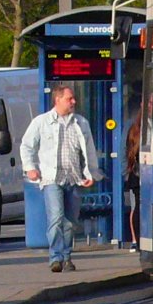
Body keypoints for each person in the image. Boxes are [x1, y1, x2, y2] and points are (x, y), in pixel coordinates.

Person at [21, 86, 103, 273]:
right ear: (57, 100)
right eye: (69, 99)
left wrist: (91, 173)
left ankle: (67, 257)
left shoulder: (80, 123)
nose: (74, 102)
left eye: (73, 99)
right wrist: (31, 168)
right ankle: (55, 257)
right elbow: (27, 146)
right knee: (56, 217)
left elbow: (89, 150)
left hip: (73, 178)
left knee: (70, 221)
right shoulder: (42, 122)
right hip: (51, 178)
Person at [124, 113, 142, 252]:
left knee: (137, 206)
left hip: (137, 174)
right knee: (136, 207)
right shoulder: (134, 130)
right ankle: (136, 240)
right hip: (137, 174)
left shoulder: (134, 130)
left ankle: (138, 240)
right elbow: (127, 154)